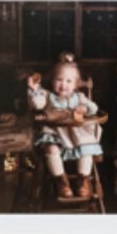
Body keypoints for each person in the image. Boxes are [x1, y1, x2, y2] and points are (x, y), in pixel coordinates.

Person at [27, 51, 102, 201]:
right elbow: (37, 105)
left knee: (86, 150)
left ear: (76, 84)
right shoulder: (47, 96)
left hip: (75, 133)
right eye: (59, 80)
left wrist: (85, 109)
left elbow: (94, 108)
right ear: (52, 80)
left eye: (69, 81)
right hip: (54, 132)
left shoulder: (79, 97)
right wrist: (34, 90)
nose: (63, 85)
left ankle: (83, 180)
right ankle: (61, 181)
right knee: (51, 149)